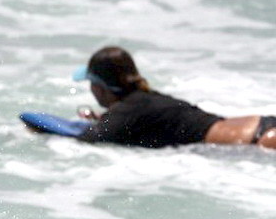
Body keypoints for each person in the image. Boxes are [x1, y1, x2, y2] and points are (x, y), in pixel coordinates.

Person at [75, 46, 276, 149]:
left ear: (100, 87)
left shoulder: (129, 109)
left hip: (257, 142)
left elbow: (88, 139)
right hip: (259, 128)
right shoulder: (143, 99)